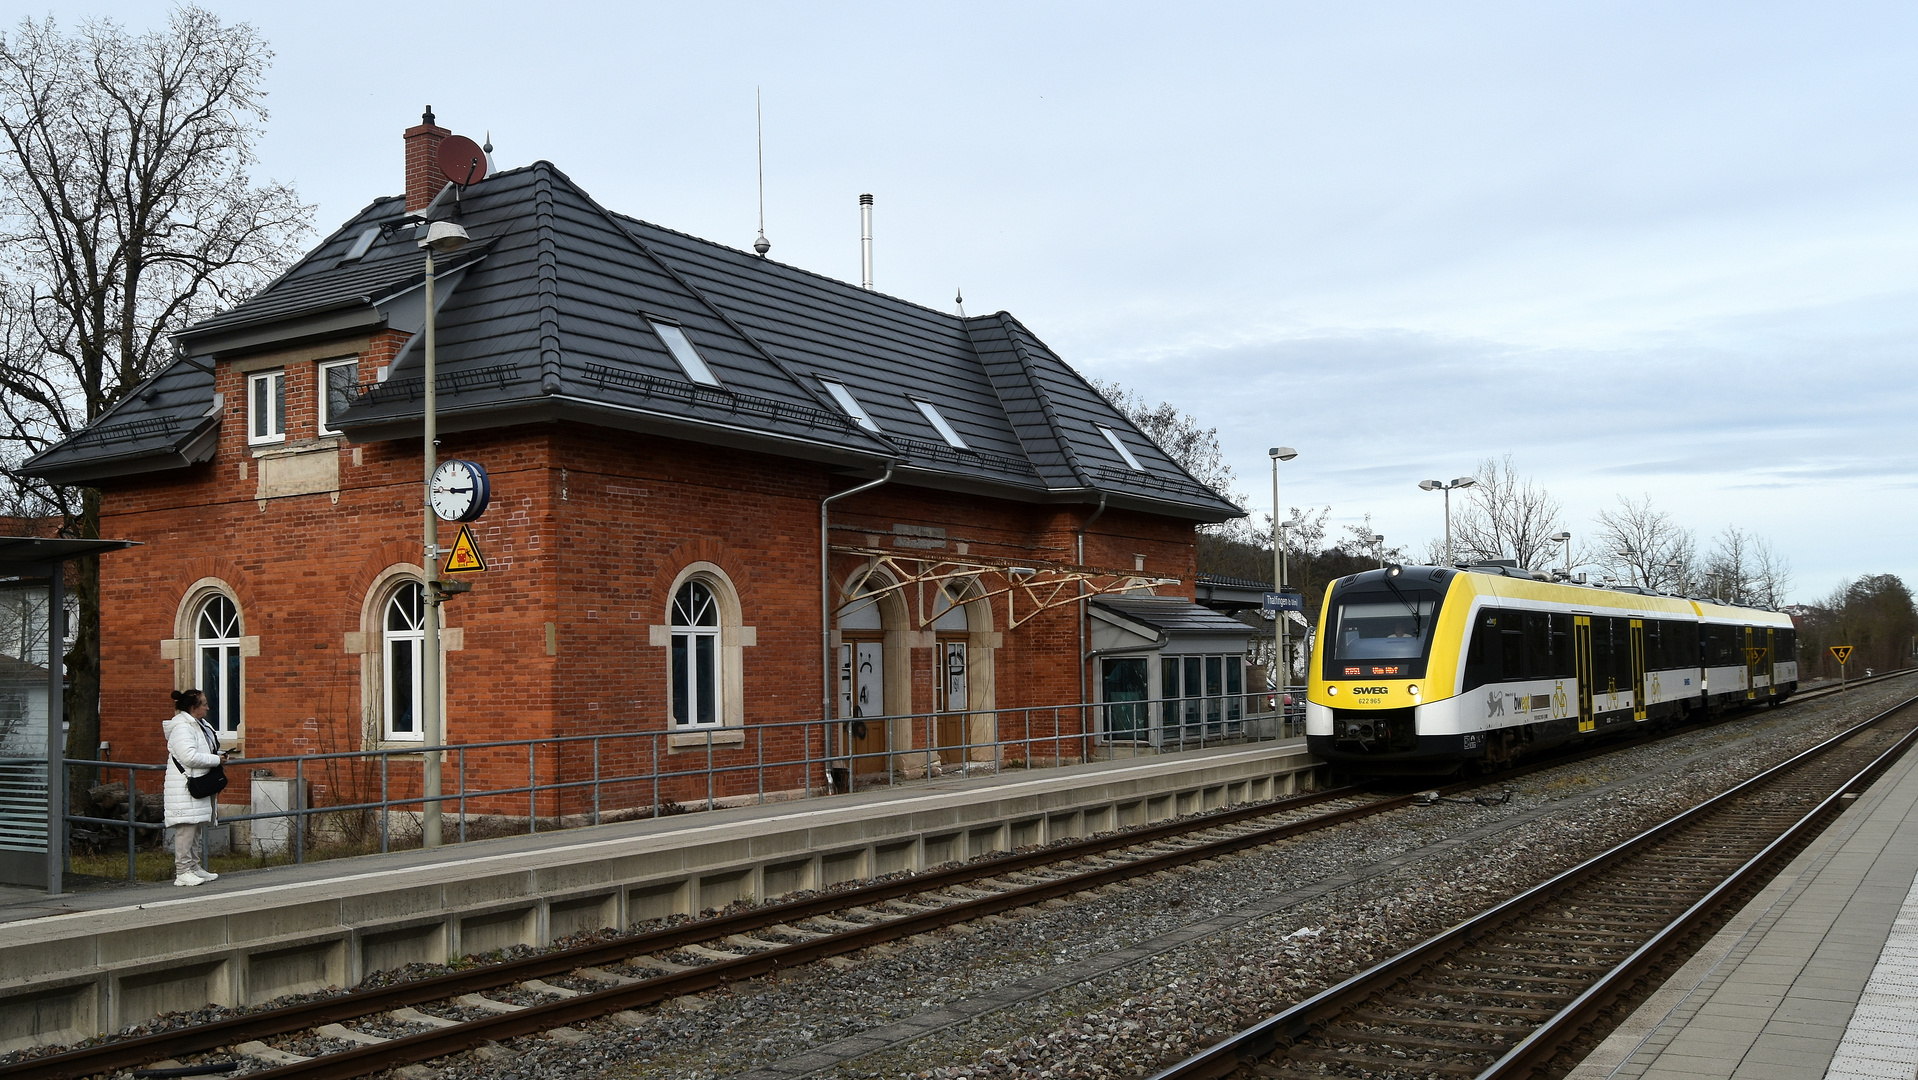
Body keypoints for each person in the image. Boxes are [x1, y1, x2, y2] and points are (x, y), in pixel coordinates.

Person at [163, 688, 226, 887]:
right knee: (186, 829)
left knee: (196, 826)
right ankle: (182, 871)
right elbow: (188, 756)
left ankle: (193, 866)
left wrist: (219, 755)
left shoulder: (199, 724)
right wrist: (216, 760)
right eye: (204, 704)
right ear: (193, 708)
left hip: (197, 783)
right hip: (186, 786)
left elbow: (204, 748)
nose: (208, 707)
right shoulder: (182, 728)